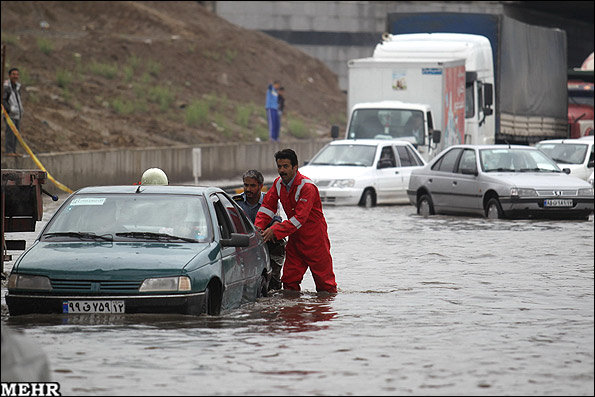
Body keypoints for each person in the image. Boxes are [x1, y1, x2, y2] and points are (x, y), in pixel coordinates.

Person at [255, 149, 337, 293]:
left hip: (315, 240)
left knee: (326, 286)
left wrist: (275, 230)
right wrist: (256, 228)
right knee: (289, 282)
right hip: (295, 238)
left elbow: (300, 219)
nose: (282, 170)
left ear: (295, 167)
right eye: (279, 166)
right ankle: (292, 314)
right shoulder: (278, 184)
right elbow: (267, 207)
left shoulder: (307, 187)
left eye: (285, 166)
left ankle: (323, 314)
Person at [233, 169, 285, 291]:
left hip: (268, 241)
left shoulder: (270, 200)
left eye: (252, 186)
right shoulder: (236, 202)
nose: (248, 189)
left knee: (273, 282)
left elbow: (277, 220)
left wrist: (270, 231)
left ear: (261, 186)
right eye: (246, 185)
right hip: (245, 243)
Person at [2, 67, 24, 156]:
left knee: (16, 133)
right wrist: (9, 109)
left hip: (17, 114)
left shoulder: (17, 87)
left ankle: (13, 151)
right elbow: (3, 100)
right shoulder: (6, 87)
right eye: (14, 74)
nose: (15, 76)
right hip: (10, 114)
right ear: (9, 75)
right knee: (10, 133)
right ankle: (9, 151)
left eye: (17, 74)